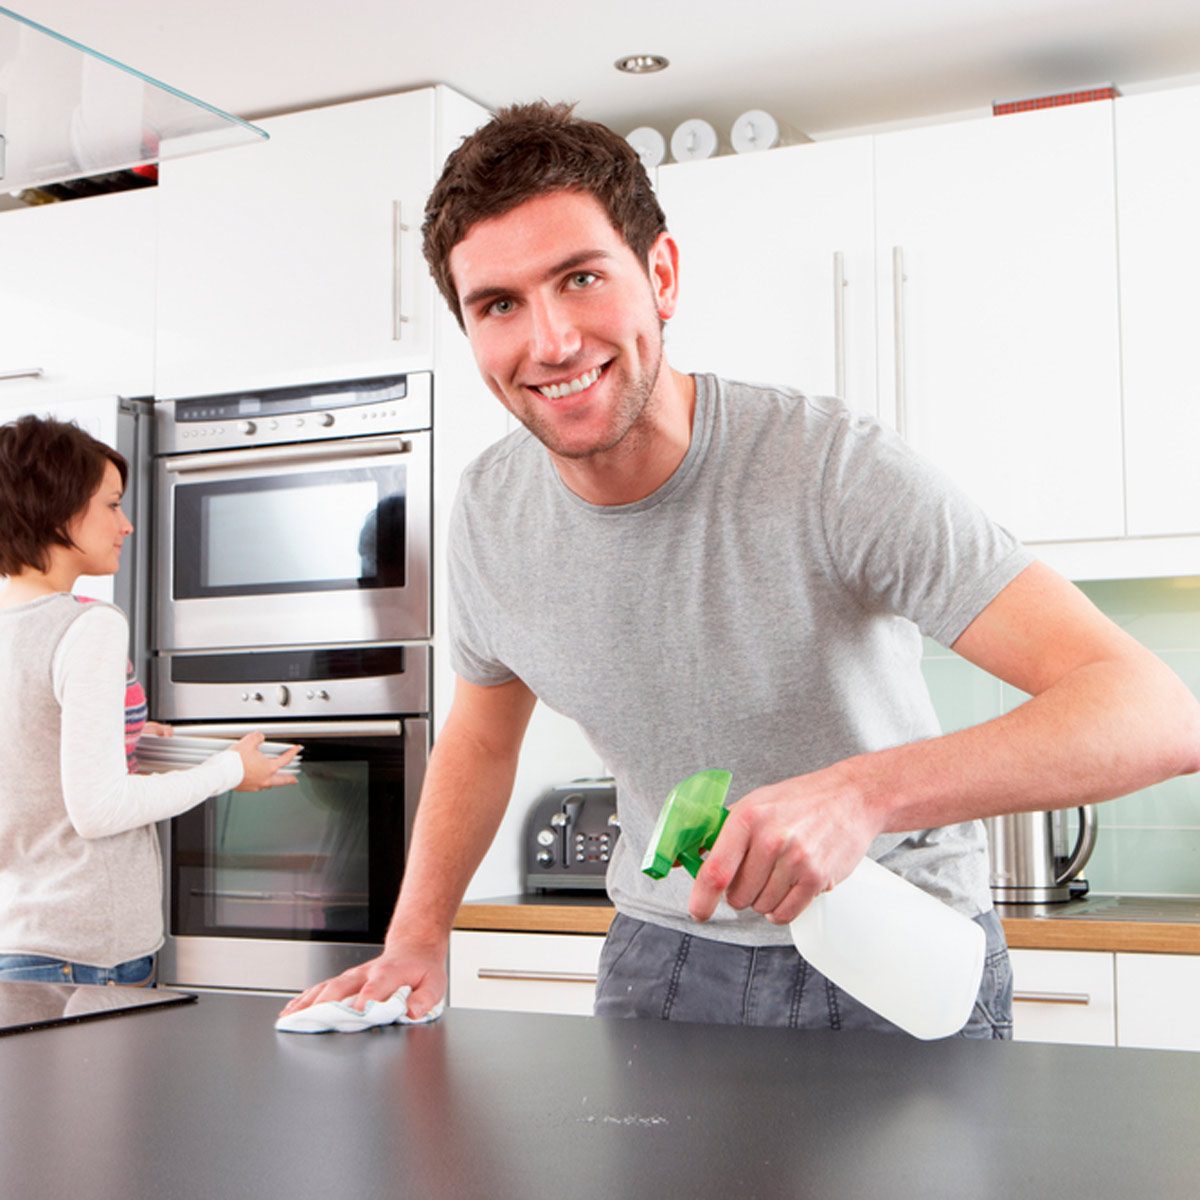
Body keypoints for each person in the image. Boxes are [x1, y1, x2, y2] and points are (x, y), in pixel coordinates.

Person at [282, 102, 1200, 1036]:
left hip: (891, 939)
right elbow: (481, 740)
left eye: (581, 278)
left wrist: (862, 794)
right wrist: (416, 936)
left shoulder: (831, 467)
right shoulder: (488, 510)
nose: (550, 342)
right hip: (662, 956)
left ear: (661, 276)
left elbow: (1156, 714)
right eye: (499, 305)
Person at [0, 415, 299, 986]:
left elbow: (31, 757)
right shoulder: (87, 626)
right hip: (85, 952)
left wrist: (131, 735)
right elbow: (99, 809)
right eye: (112, 505)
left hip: (19, 936)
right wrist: (230, 770)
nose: (127, 524)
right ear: (57, 509)